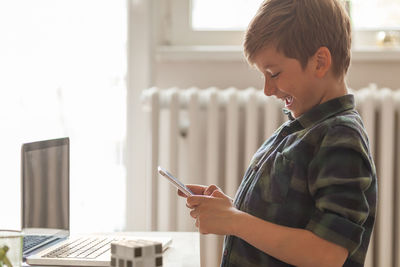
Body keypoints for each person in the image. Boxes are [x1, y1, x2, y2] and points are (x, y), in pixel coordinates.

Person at [178, 0, 377, 266]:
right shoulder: (302, 129)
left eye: (274, 73)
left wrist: (234, 221)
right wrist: (232, 209)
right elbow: (282, 219)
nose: (267, 90)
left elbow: (327, 254)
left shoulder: (341, 138)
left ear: (320, 62)